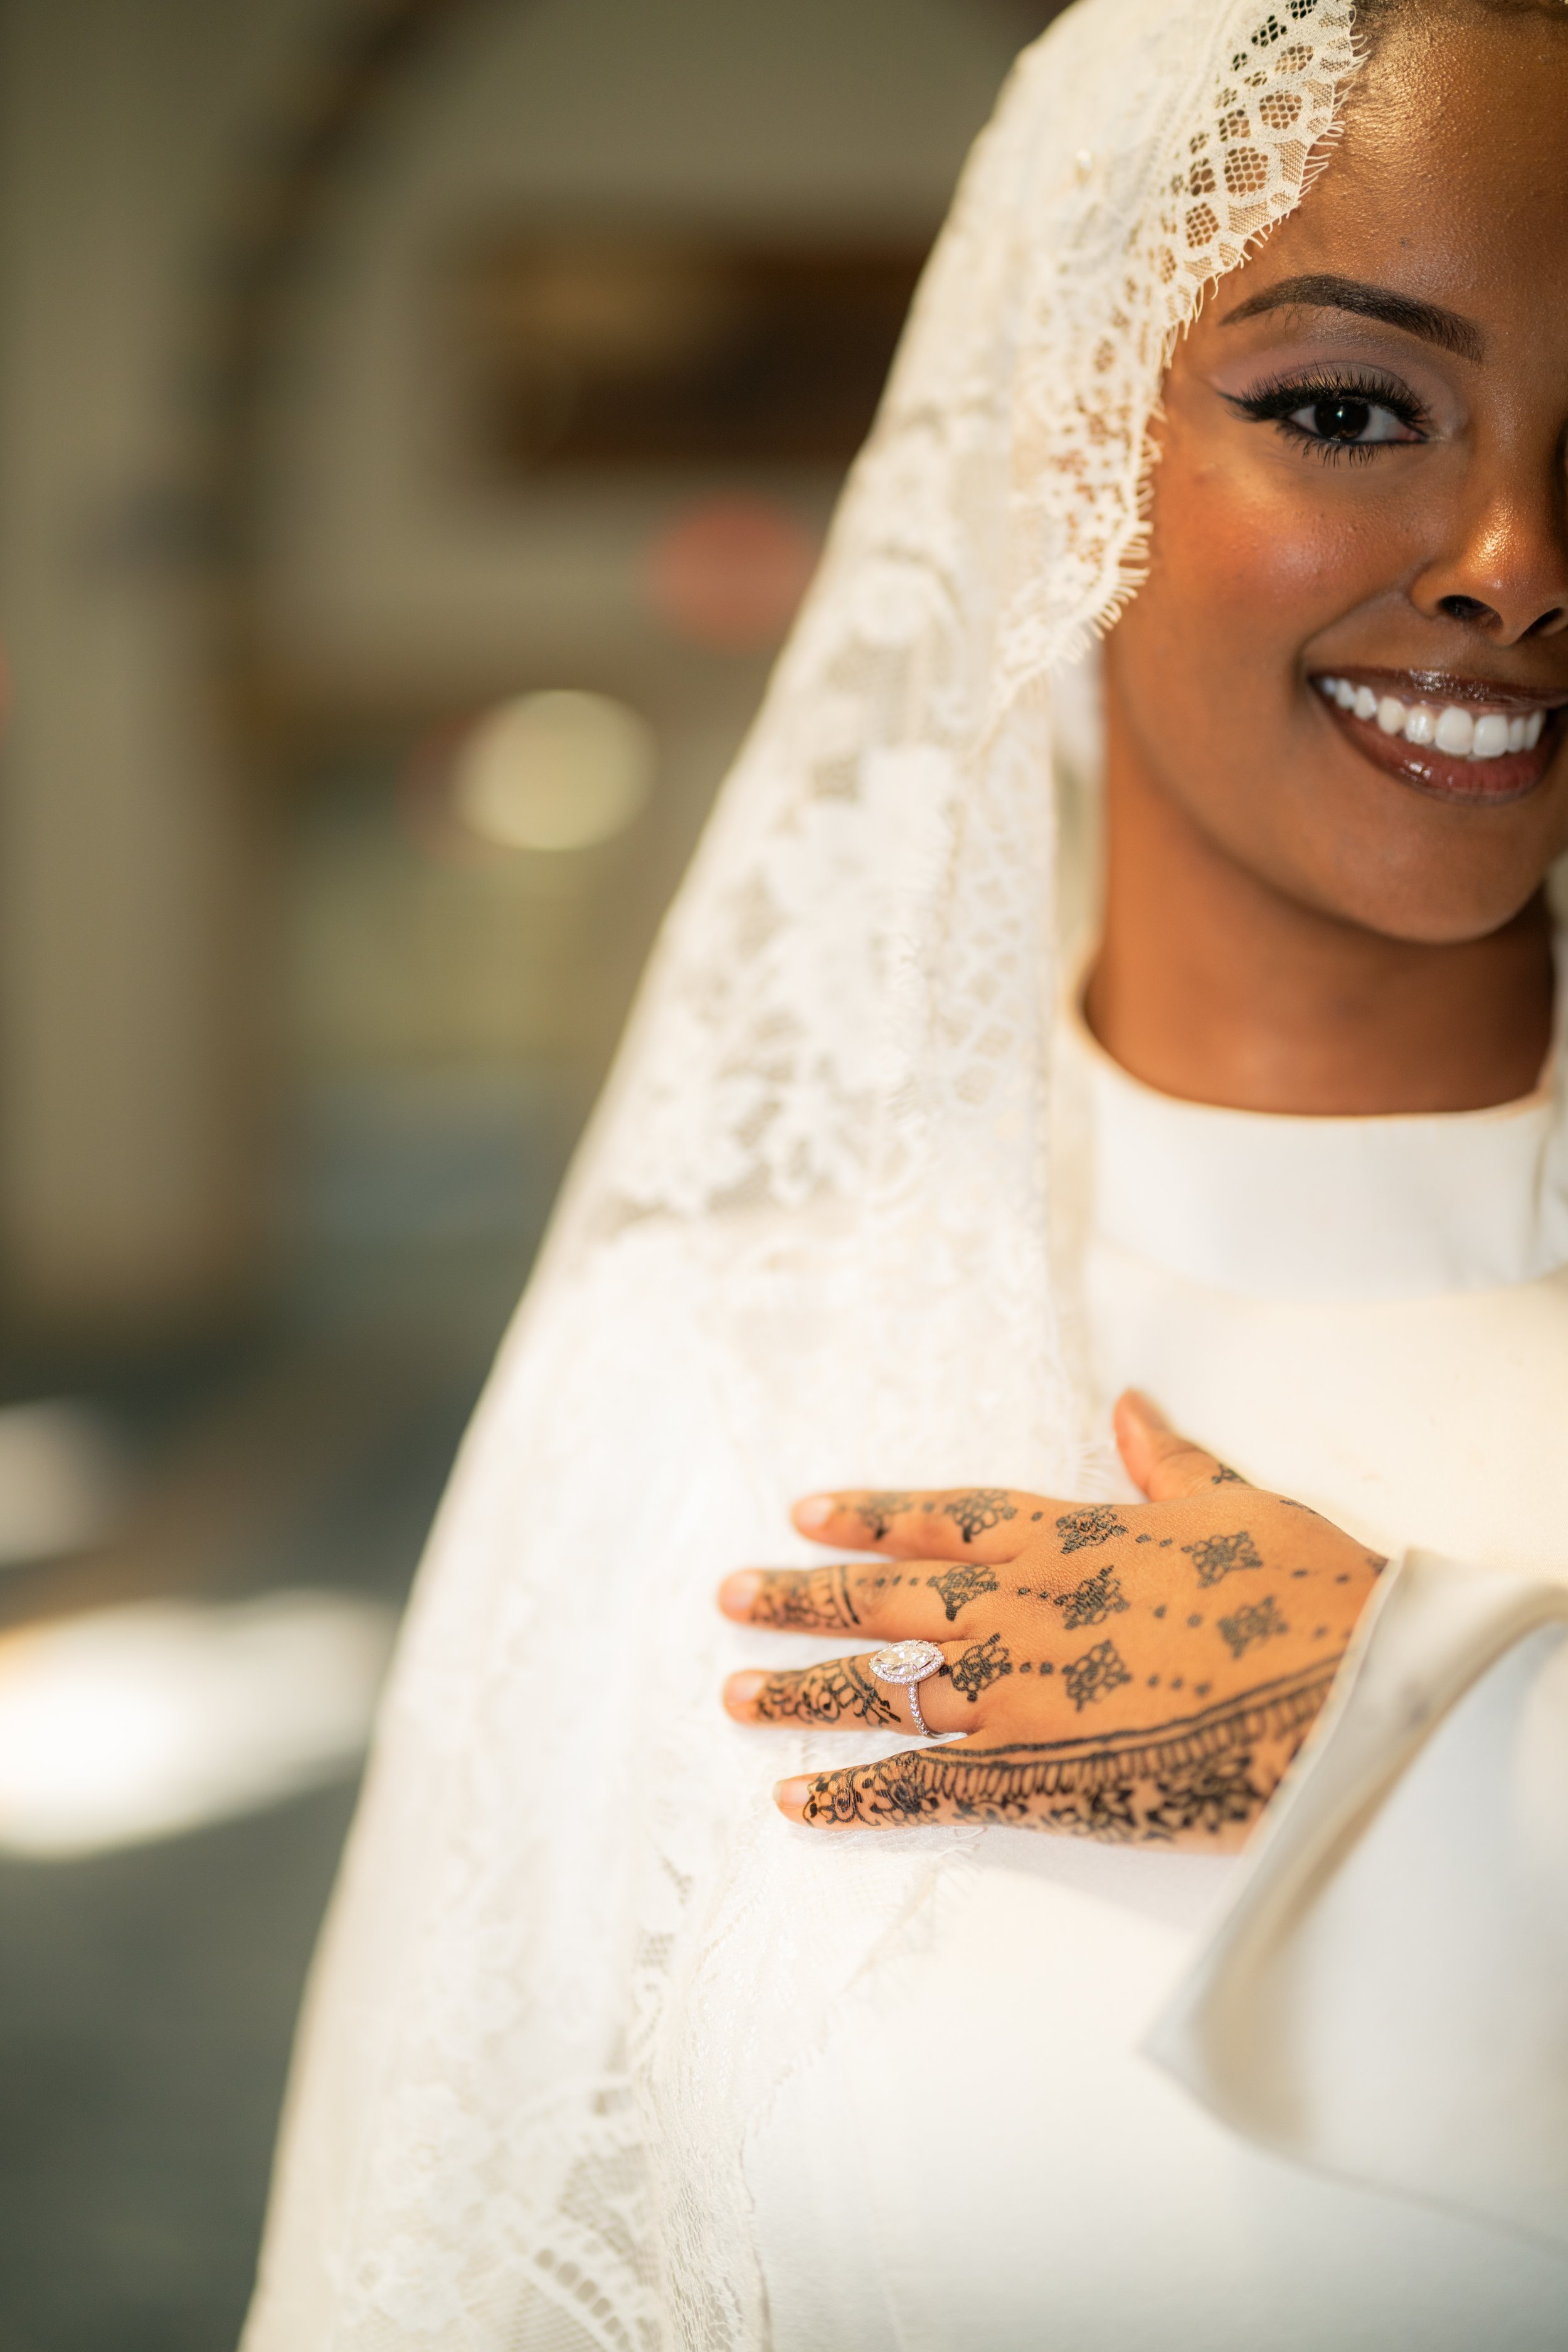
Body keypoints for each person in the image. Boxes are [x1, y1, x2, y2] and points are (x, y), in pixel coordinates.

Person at [242, 1, 1568, 2344]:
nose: (1513, 561)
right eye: (1348, 408)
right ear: (1070, 442)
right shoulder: (710, 1377)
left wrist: (1403, 1736)